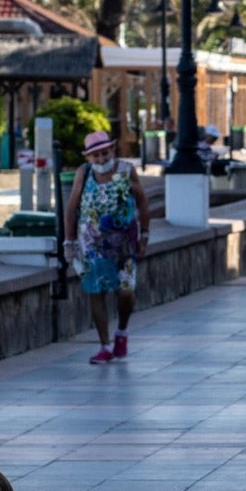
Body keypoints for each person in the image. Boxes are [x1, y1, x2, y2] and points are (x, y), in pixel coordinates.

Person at [62, 131, 151, 364]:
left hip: (124, 243)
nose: (101, 159)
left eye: (104, 153)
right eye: (95, 155)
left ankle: (121, 330)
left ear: (113, 150)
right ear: (88, 158)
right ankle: (104, 345)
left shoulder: (126, 170)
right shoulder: (84, 172)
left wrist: (145, 234)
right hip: (92, 244)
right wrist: (69, 241)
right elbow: (71, 208)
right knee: (96, 291)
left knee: (126, 291)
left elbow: (142, 200)